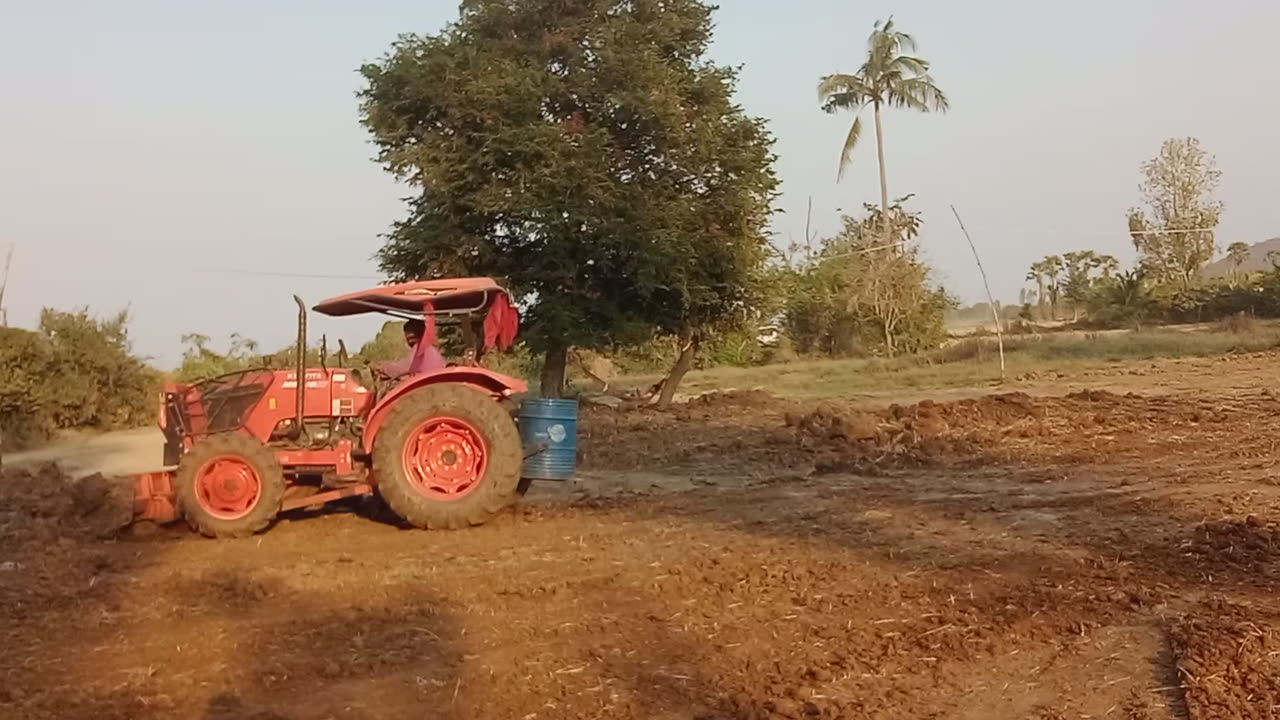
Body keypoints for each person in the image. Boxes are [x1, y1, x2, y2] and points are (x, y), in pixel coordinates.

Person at [376, 319, 445, 381]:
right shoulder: (431, 350)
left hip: (425, 385)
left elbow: (404, 368)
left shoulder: (420, 348)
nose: (409, 342)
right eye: (408, 338)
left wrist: (383, 368)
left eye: (411, 337)